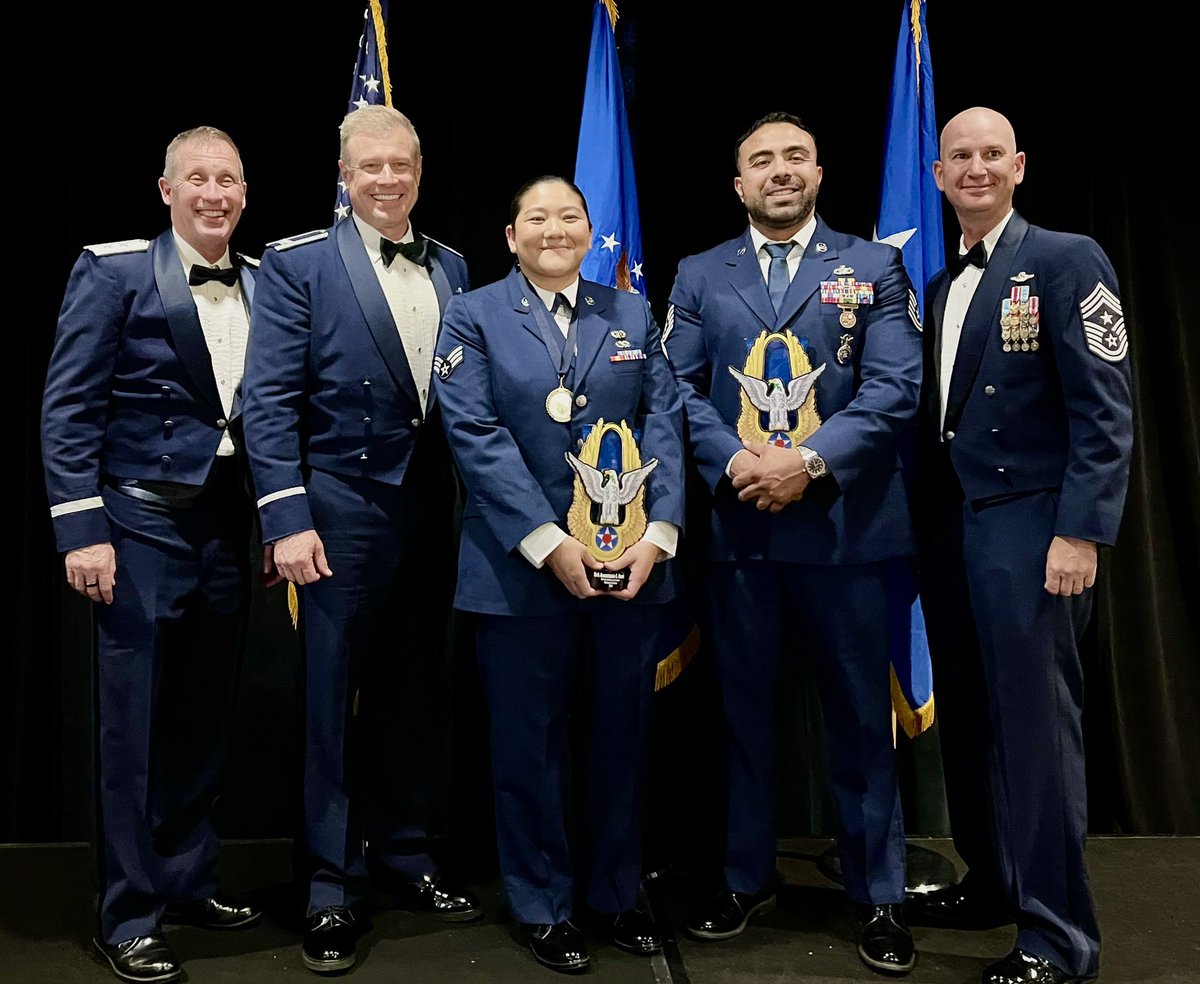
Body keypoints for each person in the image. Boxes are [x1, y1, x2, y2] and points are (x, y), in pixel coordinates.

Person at [664, 112, 921, 975]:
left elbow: (894, 388)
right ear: (738, 184)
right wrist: (740, 460)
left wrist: (807, 463)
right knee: (742, 720)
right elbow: (675, 387)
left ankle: (875, 894)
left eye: (795, 157)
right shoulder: (701, 274)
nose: (780, 171)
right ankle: (746, 878)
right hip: (740, 533)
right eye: (761, 161)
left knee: (857, 721)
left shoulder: (875, 266)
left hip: (844, 533)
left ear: (818, 171)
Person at [241, 104, 481, 975]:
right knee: (331, 700)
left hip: (433, 509)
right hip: (338, 509)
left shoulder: (453, 263)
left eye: (401, 166)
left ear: (420, 170)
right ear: (345, 176)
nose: (387, 180)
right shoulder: (298, 262)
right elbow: (266, 399)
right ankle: (329, 886)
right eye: (369, 167)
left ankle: (408, 855)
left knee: (415, 690)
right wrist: (287, 514)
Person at [433, 176, 684, 974]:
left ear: (589, 231)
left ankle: (613, 894)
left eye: (569, 216)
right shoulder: (471, 315)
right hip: (519, 571)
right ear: (511, 236)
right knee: (528, 747)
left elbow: (666, 422)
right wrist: (549, 542)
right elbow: (472, 434)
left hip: (629, 564)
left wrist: (662, 535)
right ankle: (542, 903)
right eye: (536, 217)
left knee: (620, 737)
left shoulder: (634, 313)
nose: (554, 228)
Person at [911, 106, 1132, 984]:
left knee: (1037, 735)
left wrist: (1080, 530)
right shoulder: (939, 282)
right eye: (958, 156)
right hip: (956, 529)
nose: (974, 168)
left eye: (990, 154)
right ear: (937, 175)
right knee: (968, 719)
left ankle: (1057, 939)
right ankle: (992, 883)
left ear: (1019, 165)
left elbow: (1106, 413)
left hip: (1033, 526)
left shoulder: (1068, 258)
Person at [40, 125, 264, 984]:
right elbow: (67, 408)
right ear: (166, 190)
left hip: (223, 527)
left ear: (245, 193)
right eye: (198, 179)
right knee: (131, 727)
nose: (215, 193)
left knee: (203, 717)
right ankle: (126, 911)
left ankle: (185, 878)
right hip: (135, 525)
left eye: (230, 179)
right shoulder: (115, 269)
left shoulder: (264, 280)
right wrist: (80, 528)